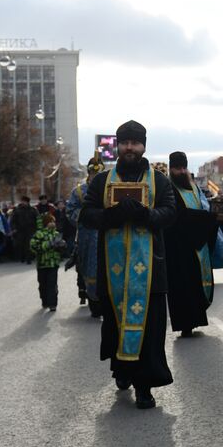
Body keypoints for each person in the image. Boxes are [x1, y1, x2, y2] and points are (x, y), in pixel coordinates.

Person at [79, 120, 179, 409]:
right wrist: (112, 215)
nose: (130, 148)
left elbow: (170, 213)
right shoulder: (101, 181)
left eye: (135, 143)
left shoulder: (159, 180)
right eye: (125, 143)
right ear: (118, 146)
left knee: (150, 329)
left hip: (151, 272)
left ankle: (145, 387)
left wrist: (145, 215)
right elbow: (86, 214)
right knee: (116, 324)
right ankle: (122, 371)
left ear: (144, 145)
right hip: (114, 272)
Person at [164, 151, 220, 338]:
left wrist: (210, 218)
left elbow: (202, 208)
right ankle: (184, 324)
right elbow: (176, 216)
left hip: (197, 242)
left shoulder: (194, 187)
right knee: (182, 286)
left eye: (183, 168)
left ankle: (196, 320)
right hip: (178, 246)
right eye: (177, 168)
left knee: (195, 284)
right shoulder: (168, 188)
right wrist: (206, 219)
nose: (181, 171)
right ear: (171, 169)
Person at [66, 153, 106, 317]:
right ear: (89, 173)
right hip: (88, 237)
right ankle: (94, 302)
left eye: (99, 173)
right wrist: (86, 216)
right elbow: (70, 211)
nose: (95, 176)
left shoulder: (111, 188)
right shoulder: (80, 192)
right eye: (93, 173)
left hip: (108, 235)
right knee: (90, 269)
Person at [29, 212, 65, 312]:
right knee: (43, 284)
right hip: (42, 264)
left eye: (53, 221)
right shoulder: (39, 234)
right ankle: (44, 301)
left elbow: (61, 249)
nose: (52, 223)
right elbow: (33, 247)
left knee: (52, 284)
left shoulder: (56, 233)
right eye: (50, 221)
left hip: (53, 263)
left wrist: (62, 246)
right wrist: (48, 244)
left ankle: (53, 303)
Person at [12, 196, 38, 264]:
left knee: (29, 244)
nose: (23, 203)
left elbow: (37, 219)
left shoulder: (33, 210)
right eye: (22, 201)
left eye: (25, 201)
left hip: (30, 229)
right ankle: (22, 257)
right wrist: (14, 228)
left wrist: (37, 229)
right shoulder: (17, 210)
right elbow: (13, 220)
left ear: (28, 202)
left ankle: (28, 258)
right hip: (20, 230)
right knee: (21, 244)